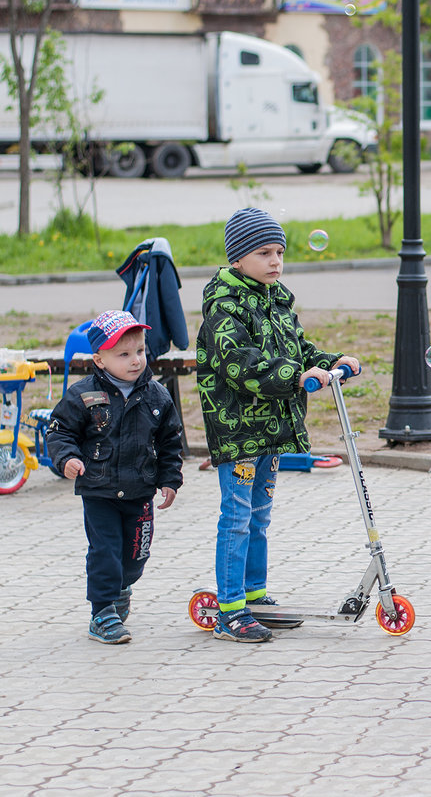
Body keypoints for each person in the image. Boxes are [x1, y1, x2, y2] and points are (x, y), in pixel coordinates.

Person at [196, 207, 360, 643]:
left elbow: (298, 349)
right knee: (237, 516)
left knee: (259, 516)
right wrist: (296, 378)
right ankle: (230, 611)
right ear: (237, 258)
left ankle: (254, 596)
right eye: (264, 252)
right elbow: (242, 365)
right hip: (238, 430)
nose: (275, 261)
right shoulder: (223, 305)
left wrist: (329, 363)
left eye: (280, 252)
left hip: (271, 429)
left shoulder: (277, 298)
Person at [47, 309, 184, 645]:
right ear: (100, 359)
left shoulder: (157, 396)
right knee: (104, 551)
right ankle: (102, 612)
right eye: (123, 354)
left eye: (139, 351)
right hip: (100, 491)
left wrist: (170, 479)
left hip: (140, 492)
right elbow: (59, 431)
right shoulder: (83, 395)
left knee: (136, 556)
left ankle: (122, 587)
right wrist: (67, 459)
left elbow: (170, 442)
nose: (135, 360)